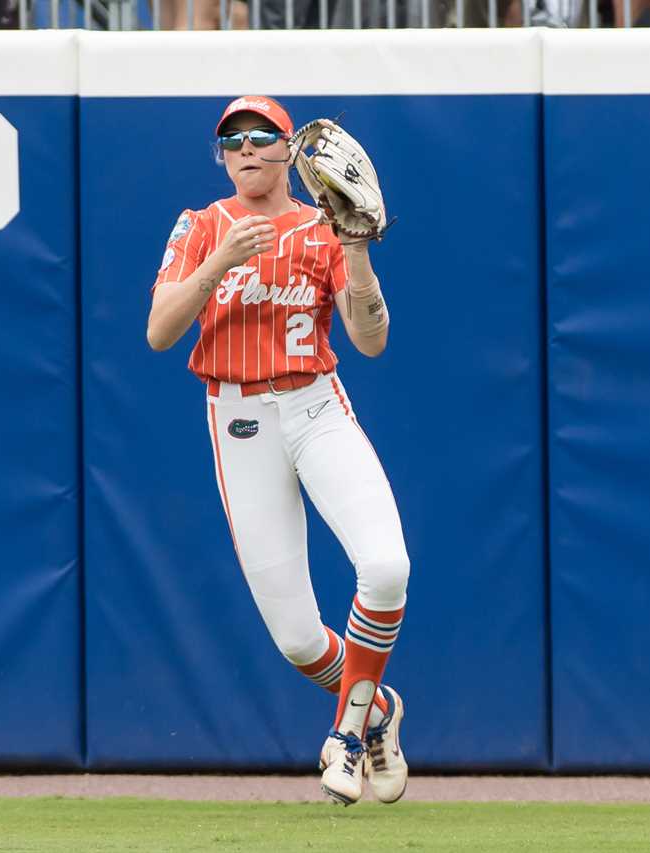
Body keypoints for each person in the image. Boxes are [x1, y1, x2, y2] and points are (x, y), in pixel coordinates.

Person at [146, 95, 411, 806]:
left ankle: (347, 735)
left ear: (290, 148)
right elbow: (159, 331)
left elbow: (372, 340)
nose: (245, 150)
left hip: (314, 402)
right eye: (231, 141)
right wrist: (217, 265)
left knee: (385, 566)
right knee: (297, 638)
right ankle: (378, 708)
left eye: (261, 136)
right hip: (238, 421)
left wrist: (354, 249)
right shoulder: (202, 225)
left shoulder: (323, 227)